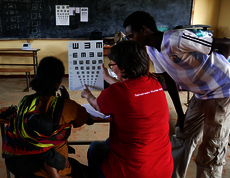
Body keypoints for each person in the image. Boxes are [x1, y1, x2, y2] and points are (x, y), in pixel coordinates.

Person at [122, 11, 230, 178]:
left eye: (131, 36)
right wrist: (180, 113)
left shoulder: (176, 38)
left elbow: (226, 44)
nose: (130, 40)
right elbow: (168, 80)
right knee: (182, 134)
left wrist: (217, 67)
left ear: (144, 29)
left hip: (221, 91)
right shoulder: (151, 49)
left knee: (211, 148)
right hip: (200, 94)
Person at [81, 40, 173, 178]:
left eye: (112, 64)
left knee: (95, 147)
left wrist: (88, 95)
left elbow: (97, 105)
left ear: (123, 67)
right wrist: (107, 78)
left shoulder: (115, 92)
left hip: (131, 173)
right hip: (163, 168)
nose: (111, 68)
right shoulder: (155, 84)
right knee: (108, 142)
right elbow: (129, 90)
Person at [2, 56, 94, 178]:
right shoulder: (67, 106)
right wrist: (67, 100)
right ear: (59, 81)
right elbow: (88, 120)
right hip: (49, 169)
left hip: (18, 161)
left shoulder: (25, 101)